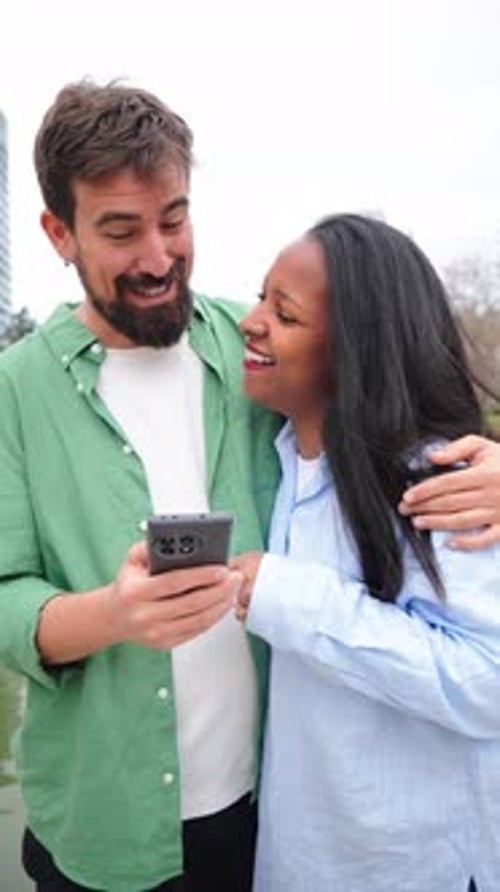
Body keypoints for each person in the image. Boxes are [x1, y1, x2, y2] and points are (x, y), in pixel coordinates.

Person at [0, 81, 497, 892]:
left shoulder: (257, 350)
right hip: (103, 817)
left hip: (267, 814)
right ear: (60, 232)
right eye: (121, 232)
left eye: (174, 220)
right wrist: (107, 616)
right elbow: (4, 591)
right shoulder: (15, 387)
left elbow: (387, 389)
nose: (158, 258)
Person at [232, 214, 500, 892]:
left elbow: (488, 681)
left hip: (415, 866)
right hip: (301, 858)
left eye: (284, 314)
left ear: (353, 349)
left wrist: (293, 601)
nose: (252, 321)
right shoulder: (278, 458)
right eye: (261, 297)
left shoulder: (442, 485)